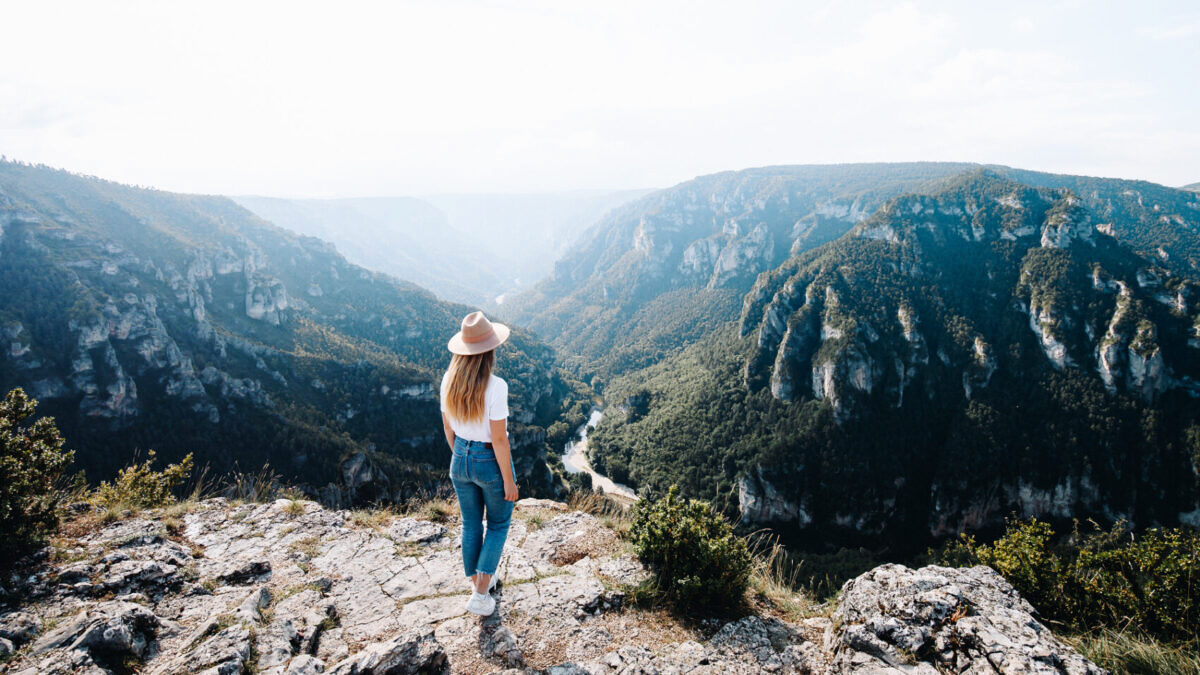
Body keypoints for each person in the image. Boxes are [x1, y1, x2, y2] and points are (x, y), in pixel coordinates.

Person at [440, 311, 519, 616]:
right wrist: (509, 481)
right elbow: (499, 440)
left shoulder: (449, 380)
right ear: (489, 350)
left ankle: (478, 582)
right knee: (498, 524)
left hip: (459, 456)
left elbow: (448, 428)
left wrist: (461, 455)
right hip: (489, 459)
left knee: (471, 524)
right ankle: (481, 592)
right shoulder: (496, 386)